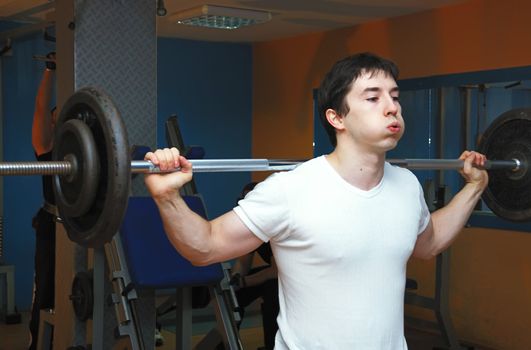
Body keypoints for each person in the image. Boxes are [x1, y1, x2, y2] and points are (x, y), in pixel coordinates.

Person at [143, 52, 489, 349]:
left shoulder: (407, 185)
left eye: (394, 97)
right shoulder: (290, 190)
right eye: (373, 98)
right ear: (336, 118)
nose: (392, 108)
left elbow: (427, 244)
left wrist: (473, 187)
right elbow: (205, 247)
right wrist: (168, 197)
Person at [29, 52, 57, 350]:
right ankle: (39, 344)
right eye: (57, 113)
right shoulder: (47, 147)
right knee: (47, 292)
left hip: (82, 226)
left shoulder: (87, 151)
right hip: (52, 226)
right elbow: (39, 109)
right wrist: (50, 70)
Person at [230, 182, 279, 350]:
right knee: (233, 294)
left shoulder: (275, 227)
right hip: (279, 274)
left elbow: (276, 272)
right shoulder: (254, 229)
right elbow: (243, 261)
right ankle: (227, 341)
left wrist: (244, 282)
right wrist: (236, 279)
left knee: (272, 287)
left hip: (300, 279)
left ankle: (272, 346)